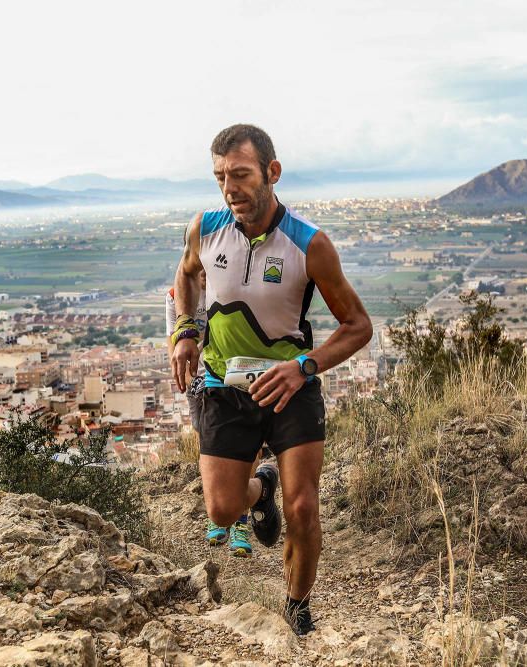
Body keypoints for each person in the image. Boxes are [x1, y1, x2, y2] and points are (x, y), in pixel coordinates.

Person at [170, 124, 372, 635]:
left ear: (272, 172)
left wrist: (303, 367)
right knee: (221, 510)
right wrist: (185, 332)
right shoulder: (205, 228)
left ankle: (297, 606)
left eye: (240, 175)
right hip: (222, 386)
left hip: (290, 385)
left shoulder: (309, 244)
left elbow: (358, 326)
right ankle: (260, 490)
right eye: (220, 177)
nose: (229, 188)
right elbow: (186, 275)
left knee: (303, 505)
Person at [165, 273, 256, 557]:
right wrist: (192, 380)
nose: (206, 274)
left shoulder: (235, 285)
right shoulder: (176, 296)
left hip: (240, 370)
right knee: (207, 443)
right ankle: (217, 515)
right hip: (202, 377)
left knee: (250, 443)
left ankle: (241, 520)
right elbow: (175, 343)